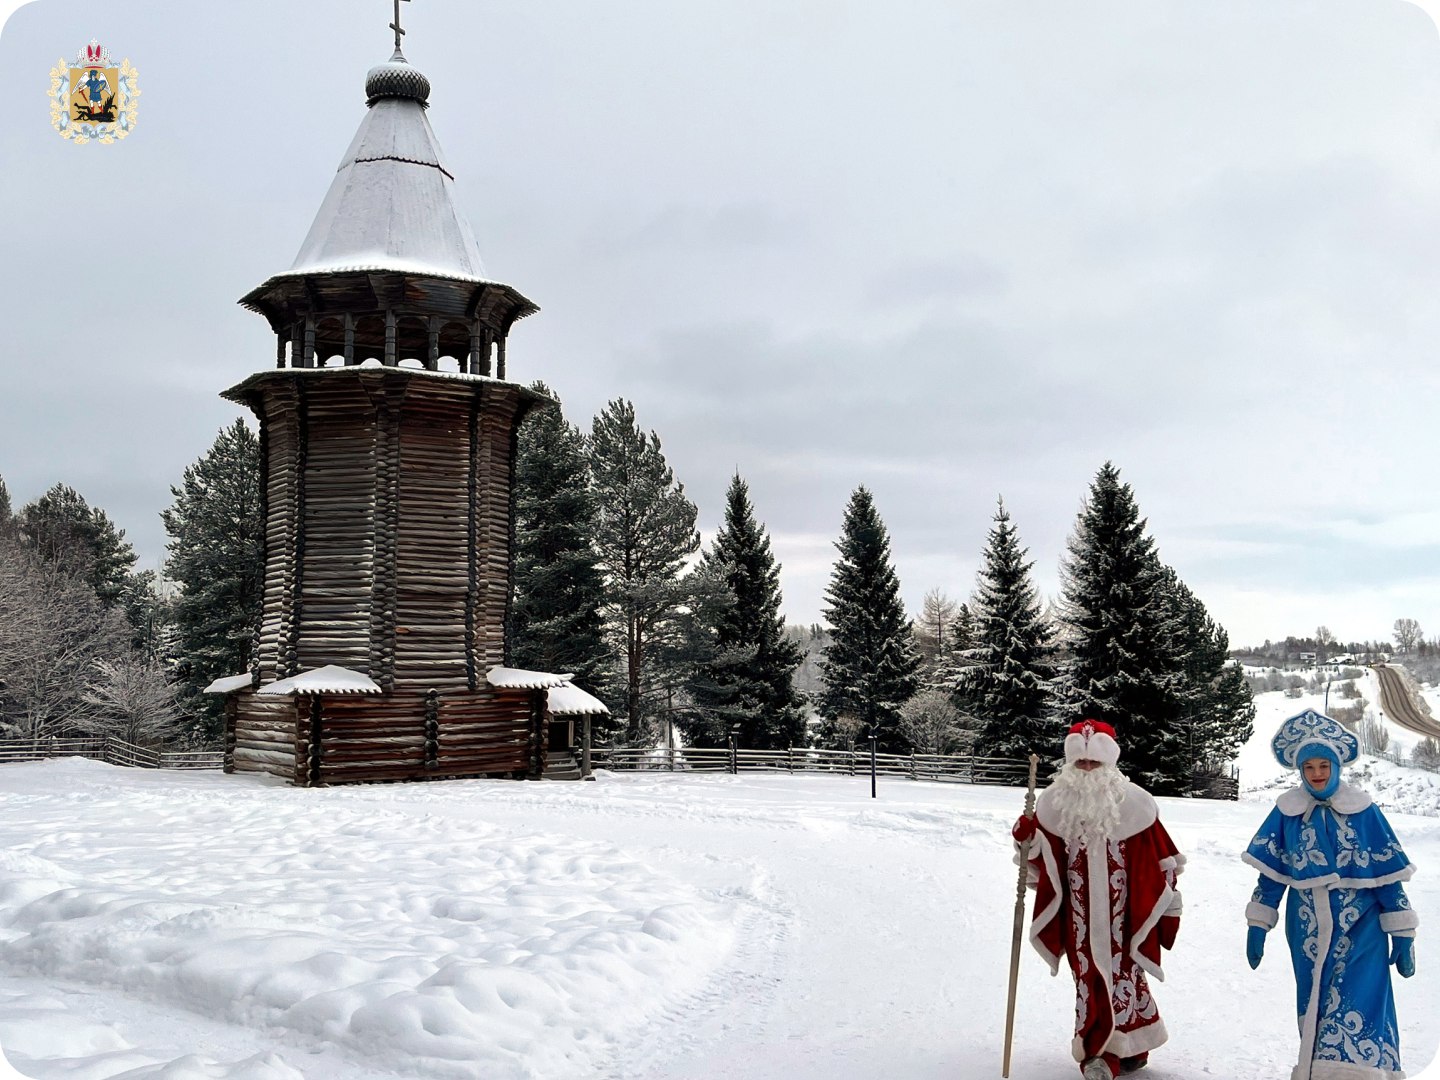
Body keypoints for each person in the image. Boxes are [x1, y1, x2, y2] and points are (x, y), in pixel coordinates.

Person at [1243, 708, 1417, 1080]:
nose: (1317, 774)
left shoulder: (1364, 811)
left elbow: (1387, 875)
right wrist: (1259, 922)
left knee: (1363, 1001)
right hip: (1307, 929)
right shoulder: (1287, 812)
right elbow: (1272, 875)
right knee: (1315, 1005)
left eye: (1324, 765)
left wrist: (1402, 932)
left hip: (1363, 926)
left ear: (1337, 765)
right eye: (1309, 768)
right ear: (1300, 771)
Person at [1013, 719, 1184, 1080]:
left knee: (1127, 975)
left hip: (1126, 917)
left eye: (1094, 763)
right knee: (1089, 978)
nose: (1087, 770)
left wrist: (1166, 903)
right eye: (1081, 763)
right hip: (1078, 919)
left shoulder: (1137, 804)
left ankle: (1132, 1045)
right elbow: (1039, 863)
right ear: (1070, 764)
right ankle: (1099, 1055)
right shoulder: (1052, 805)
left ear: (1110, 764)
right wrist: (1025, 839)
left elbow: (1162, 858)